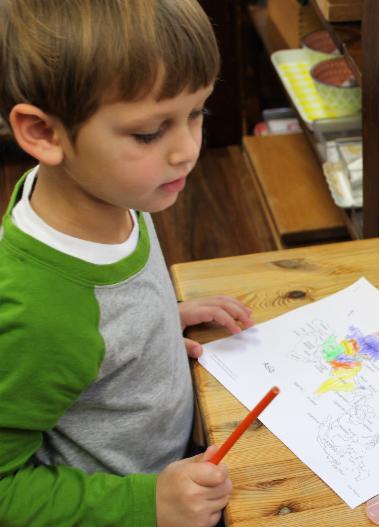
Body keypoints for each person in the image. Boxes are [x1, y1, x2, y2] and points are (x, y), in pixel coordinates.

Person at [0, 1, 255, 525]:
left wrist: (154, 321)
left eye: (197, 113)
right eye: (149, 133)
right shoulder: (39, 316)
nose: (187, 149)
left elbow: (102, 318)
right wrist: (148, 503)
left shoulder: (114, 193)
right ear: (44, 133)